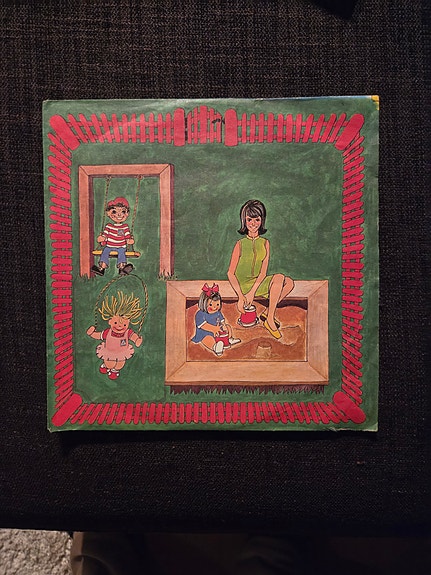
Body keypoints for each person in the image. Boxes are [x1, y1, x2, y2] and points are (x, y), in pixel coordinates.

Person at [227, 199, 294, 340]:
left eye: (257, 219)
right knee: (280, 277)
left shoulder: (265, 243)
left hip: (258, 284)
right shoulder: (240, 244)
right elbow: (230, 273)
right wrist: (241, 296)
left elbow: (263, 272)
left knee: (289, 282)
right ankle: (269, 319)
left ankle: (268, 313)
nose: (253, 223)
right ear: (244, 221)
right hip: (243, 285)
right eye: (249, 219)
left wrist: (253, 293)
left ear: (262, 220)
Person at [87, 291, 143, 379]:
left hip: (122, 351)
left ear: (128, 323)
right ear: (110, 322)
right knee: (110, 363)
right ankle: (106, 366)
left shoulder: (127, 332)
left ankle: (115, 371)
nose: (120, 326)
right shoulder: (108, 332)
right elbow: (99, 335)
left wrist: (137, 340)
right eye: (116, 323)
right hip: (109, 352)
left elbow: (133, 336)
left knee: (120, 364)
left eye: (124, 324)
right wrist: (92, 333)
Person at [191, 283, 240, 356]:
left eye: (217, 305)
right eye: (211, 305)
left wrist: (224, 327)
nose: (215, 307)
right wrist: (214, 329)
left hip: (218, 331)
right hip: (205, 333)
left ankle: (229, 340)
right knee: (207, 339)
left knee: (228, 327)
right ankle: (215, 347)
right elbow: (204, 326)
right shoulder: (200, 314)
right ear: (203, 303)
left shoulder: (218, 313)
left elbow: (222, 322)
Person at [92, 196, 135, 276]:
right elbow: (105, 236)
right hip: (109, 246)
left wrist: (130, 241)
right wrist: (101, 238)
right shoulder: (109, 226)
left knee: (122, 252)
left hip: (121, 247)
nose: (119, 214)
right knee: (105, 251)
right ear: (108, 213)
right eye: (114, 212)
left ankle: (122, 268)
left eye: (123, 211)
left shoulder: (124, 227)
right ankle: (101, 268)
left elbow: (127, 237)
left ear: (127, 214)